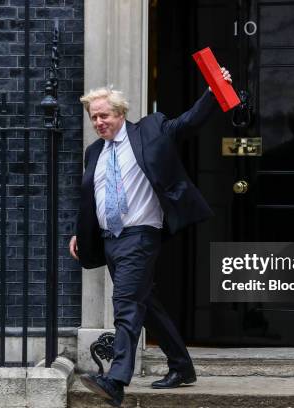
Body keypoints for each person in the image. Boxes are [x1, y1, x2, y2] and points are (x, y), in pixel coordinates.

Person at [69, 68, 232, 407]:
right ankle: (182, 366)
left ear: (121, 113)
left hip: (141, 235)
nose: (98, 122)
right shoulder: (94, 153)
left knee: (126, 304)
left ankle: (115, 379)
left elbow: (188, 122)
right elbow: (92, 196)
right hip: (110, 239)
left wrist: (215, 89)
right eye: (94, 117)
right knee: (147, 305)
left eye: (104, 116)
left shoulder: (150, 131)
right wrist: (79, 232)